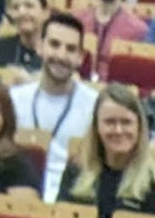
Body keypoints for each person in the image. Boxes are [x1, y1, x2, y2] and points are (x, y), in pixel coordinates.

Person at [61, 83, 155, 218]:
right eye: (110, 122)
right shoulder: (75, 172)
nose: (118, 130)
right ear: (96, 128)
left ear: (139, 128)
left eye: (126, 122)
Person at [8, 11, 97, 197]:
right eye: (54, 45)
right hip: (18, 195)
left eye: (71, 49)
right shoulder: (13, 99)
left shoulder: (95, 106)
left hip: (73, 198)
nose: (61, 55)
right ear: (40, 47)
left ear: (81, 57)